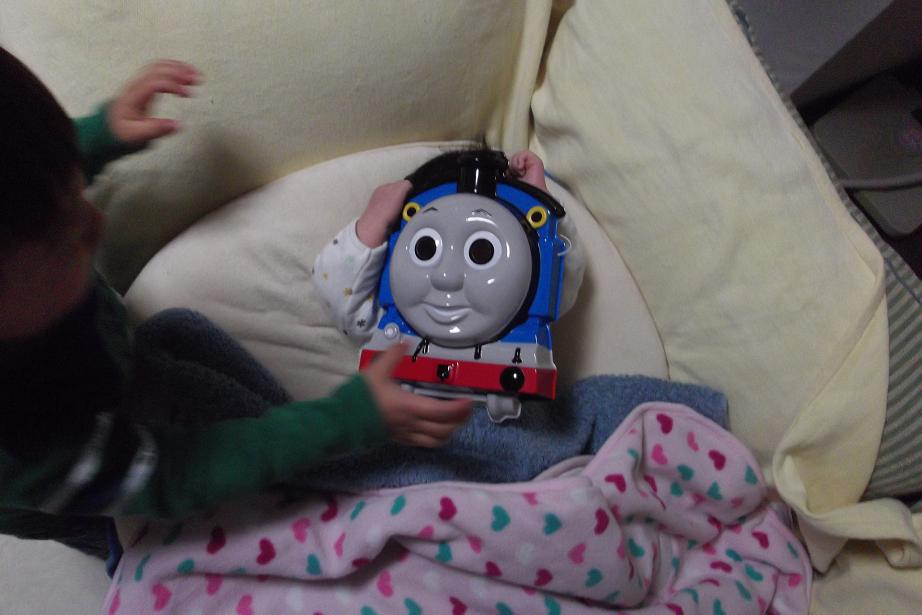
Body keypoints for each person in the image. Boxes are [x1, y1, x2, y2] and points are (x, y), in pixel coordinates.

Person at [0, 47, 471, 559]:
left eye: (76, 194)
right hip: (76, 486)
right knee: (141, 541)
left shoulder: (25, 231)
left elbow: (30, 182)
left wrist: (95, 137)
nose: (96, 223)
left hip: (93, 352)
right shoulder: (29, 449)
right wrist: (345, 419)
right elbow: (177, 475)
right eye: (63, 238)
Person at [313, 148, 585, 342]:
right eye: (426, 249)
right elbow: (340, 296)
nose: (446, 277)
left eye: (481, 252)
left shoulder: (525, 317)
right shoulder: (389, 324)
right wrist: (373, 224)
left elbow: (562, 284)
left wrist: (539, 208)